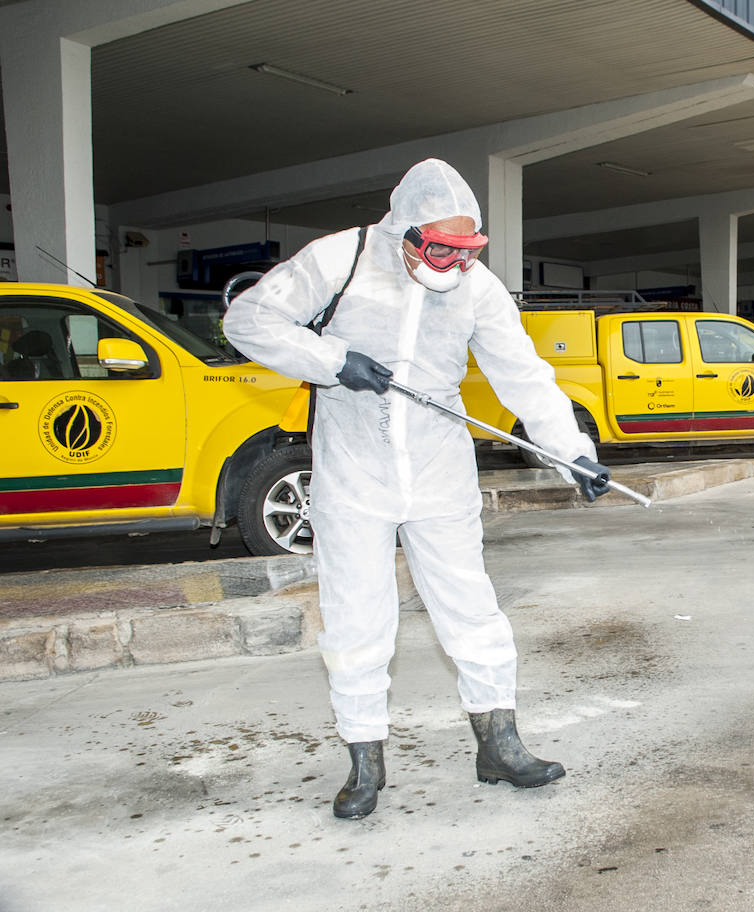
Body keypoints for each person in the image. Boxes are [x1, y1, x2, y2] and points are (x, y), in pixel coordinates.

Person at [223, 159, 611, 820]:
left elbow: (523, 374)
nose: (454, 265)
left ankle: (499, 745)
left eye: (467, 251)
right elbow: (248, 321)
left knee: (471, 607)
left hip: (437, 471)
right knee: (356, 616)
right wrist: (333, 362)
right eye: (441, 250)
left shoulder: (475, 288)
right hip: (352, 474)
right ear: (404, 234)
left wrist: (571, 450)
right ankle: (364, 762)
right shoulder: (339, 259)